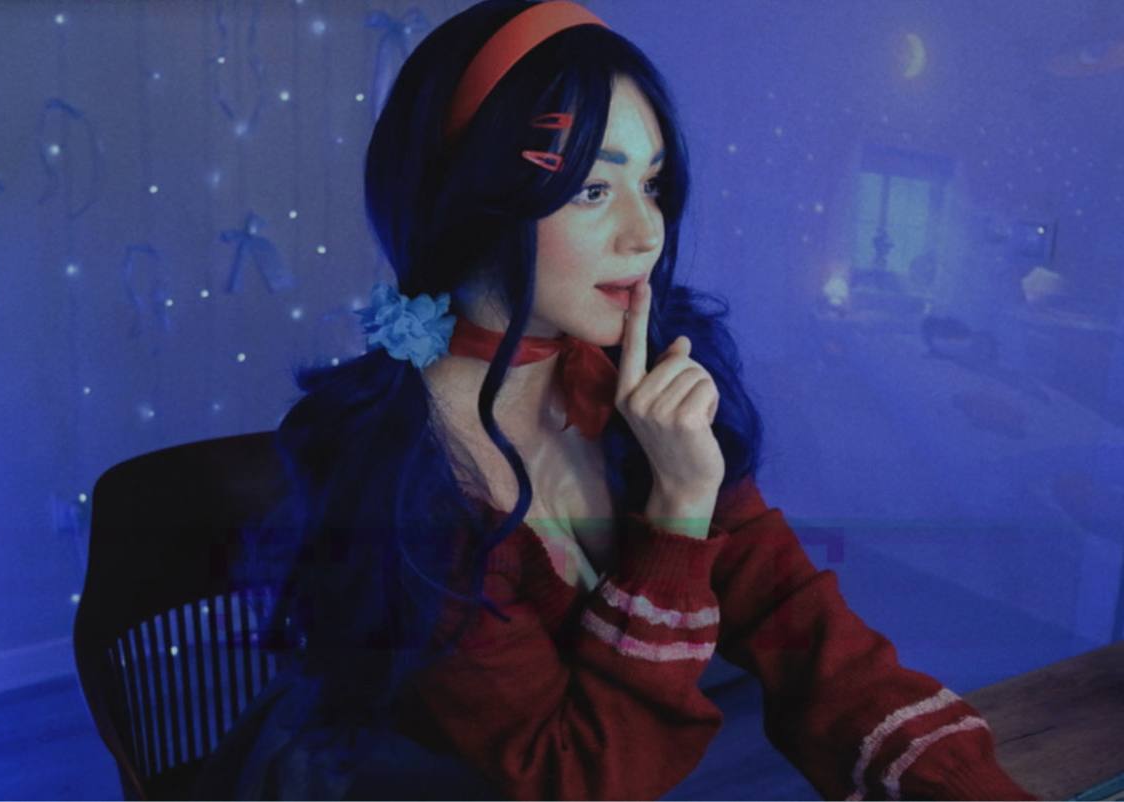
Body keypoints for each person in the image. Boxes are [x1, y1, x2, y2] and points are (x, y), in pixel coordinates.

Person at [196, 1, 1040, 799]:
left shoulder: (626, 384)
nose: (647, 234)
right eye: (593, 190)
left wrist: (961, 783)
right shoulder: (406, 479)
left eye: (654, 183)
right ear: (475, 201)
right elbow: (573, 781)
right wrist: (676, 513)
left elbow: (796, 618)